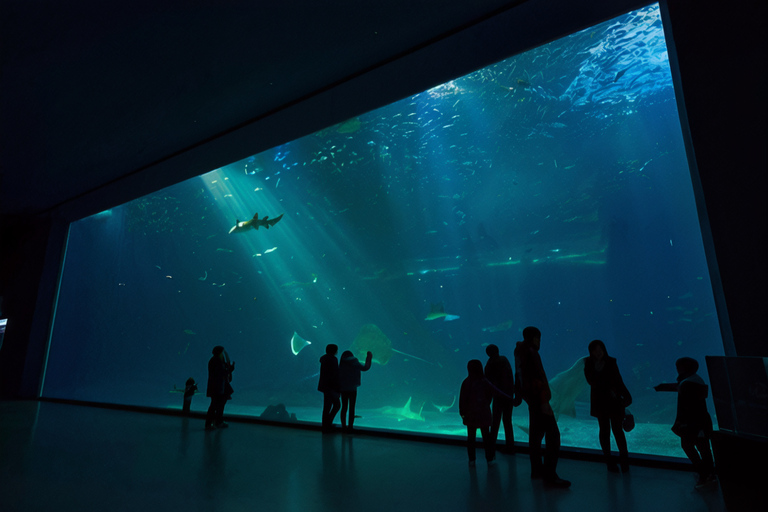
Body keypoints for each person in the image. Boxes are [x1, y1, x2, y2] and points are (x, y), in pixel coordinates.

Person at [514, 326, 571, 487]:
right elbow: (536, 379)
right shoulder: (532, 353)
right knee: (553, 436)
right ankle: (550, 475)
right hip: (539, 400)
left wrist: (519, 395)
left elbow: (518, 376)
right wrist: (544, 401)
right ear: (534, 338)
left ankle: (536, 470)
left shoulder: (519, 351)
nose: (539, 342)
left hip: (531, 400)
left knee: (535, 437)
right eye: (538, 339)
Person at [654, 357, 716, 487]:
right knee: (704, 448)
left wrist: (683, 424)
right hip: (701, 422)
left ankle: (704, 475)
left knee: (689, 446)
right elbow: (682, 387)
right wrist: (663, 387)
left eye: (678, 367)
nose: (677, 369)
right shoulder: (695, 379)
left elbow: (688, 405)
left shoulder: (688, 384)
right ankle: (709, 475)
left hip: (693, 424)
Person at [584, 340, 632, 472]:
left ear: (604, 349)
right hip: (600, 402)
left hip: (614, 401)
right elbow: (590, 381)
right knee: (604, 431)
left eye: (600, 349)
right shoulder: (588, 363)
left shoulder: (611, 361)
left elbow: (618, 380)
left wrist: (627, 396)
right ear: (591, 352)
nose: (598, 352)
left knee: (617, 430)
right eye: (595, 350)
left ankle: (624, 461)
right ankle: (609, 462)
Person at [459, 359, 496, 467]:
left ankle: (472, 460)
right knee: (486, 437)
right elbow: (490, 397)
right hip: (483, 412)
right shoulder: (485, 381)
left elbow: (462, 400)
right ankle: (489, 459)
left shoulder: (466, 382)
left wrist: (462, 412)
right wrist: (484, 405)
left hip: (470, 414)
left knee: (471, 438)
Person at [484, 344, 516, 453]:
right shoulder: (504, 360)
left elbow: (487, 382)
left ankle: (491, 445)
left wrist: (488, 398)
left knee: (495, 421)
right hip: (508, 395)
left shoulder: (489, 364)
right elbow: (511, 377)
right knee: (507, 421)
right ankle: (510, 446)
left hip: (498, 397)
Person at [338, 350, 373, 432]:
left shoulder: (342, 362)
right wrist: (369, 357)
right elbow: (365, 367)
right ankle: (350, 427)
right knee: (352, 407)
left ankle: (343, 426)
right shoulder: (354, 361)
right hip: (353, 388)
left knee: (344, 407)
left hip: (343, 388)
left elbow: (338, 375)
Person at [205, 346, 234, 430]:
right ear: (219, 353)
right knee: (214, 405)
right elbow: (220, 373)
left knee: (220, 404)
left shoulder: (218, 361)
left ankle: (218, 421)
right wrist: (229, 370)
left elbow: (224, 371)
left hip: (220, 387)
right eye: (222, 352)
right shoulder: (215, 361)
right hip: (216, 387)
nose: (223, 354)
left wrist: (229, 370)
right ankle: (209, 424)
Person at [318, 344, 341, 432]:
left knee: (327, 407)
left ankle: (325, 425)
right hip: (331, 387)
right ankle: (327, 424)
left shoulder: (324, 359)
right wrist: (337, 388)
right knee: (337, 405)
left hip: (325, 386)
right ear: (334, 351)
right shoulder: (333, 359)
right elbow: (335, 374)